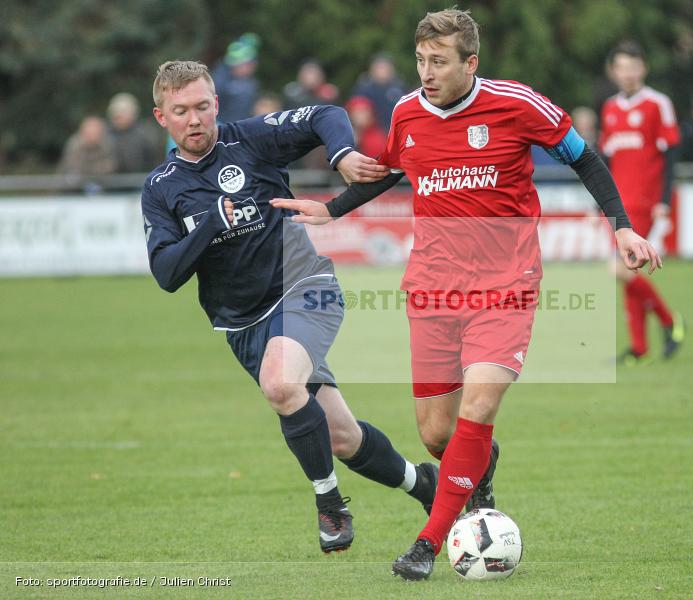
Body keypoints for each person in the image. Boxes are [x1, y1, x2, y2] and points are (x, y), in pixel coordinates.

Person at [270, 9, 661, 580]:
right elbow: (391, 171)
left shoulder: (517, 103)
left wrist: (621, 224)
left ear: (470, 63)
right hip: (432, 286)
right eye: (421, 61)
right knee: (437, 434)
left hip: (507, 285)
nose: (426, 73)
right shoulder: (407, 112)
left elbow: (583, 156)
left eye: (440, 62)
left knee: (479, 408)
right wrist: (331, 209)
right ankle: (481, 464)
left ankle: (428, 544)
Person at [141, 60, 438, 555]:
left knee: (280, 384)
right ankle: (425, 486)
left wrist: (342, 154)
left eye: (201, 107)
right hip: (243, 324)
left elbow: (326, 113)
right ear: (161, 118)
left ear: (216, 104)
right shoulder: (160, 188)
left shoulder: (250, 139)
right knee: (341, 438)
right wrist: (211, 224)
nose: (194, 119)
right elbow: (167, 274)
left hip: (305, 285)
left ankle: (329, 504)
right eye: (181, 111)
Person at [599, 41, 685, 365]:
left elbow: (671, 154)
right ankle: (639, 347)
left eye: (633, 66)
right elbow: (605, 160)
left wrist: (663, 200)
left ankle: (669, 320)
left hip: (645, 202)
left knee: (619, 268)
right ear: (614, 71)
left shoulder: (657, 104)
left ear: (643, 69)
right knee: (628, 269)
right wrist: (602, 203)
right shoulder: (609, 108)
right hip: (617, 204)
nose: (628, 73)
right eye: (622, 67)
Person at [58, 115, 117, 192]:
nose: (92, 135)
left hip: (104, 188)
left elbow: (110, 167)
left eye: (95, 131)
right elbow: (73, 168)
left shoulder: (108, 145)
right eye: (89, 131)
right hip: (76, 189)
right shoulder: (74, 145)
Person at [351, 53, 408, 132]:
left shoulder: (399, 86)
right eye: (379, 68)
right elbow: (358, 113)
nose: (382, 71)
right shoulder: (364, 88)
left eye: (385, 68)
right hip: (371, 131)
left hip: (396, 129)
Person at [106, 92, 162, 173]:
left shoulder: (145, 134)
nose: (119, 118)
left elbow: (155, 159)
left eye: (123, 113)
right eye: (117, 115)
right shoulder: (106, 134)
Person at [212, 33, 260, 124]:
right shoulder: (219, 81)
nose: (252, 68)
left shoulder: (251, 82)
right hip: (221, 127)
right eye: (249, 65)